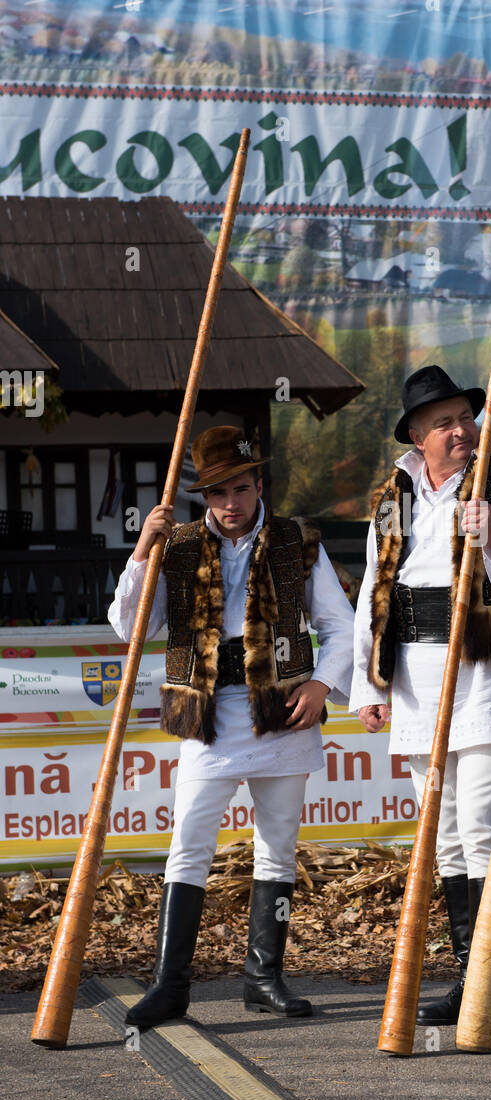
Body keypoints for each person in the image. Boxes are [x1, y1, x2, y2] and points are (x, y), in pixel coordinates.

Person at [108, 427, 355, 1028]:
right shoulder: (181, 545)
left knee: (277, 846)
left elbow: (343, 626)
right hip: (208, 714)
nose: (231, 503)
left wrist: (322, 685)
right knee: (189, 846)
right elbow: (126, 626)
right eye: (217, 493)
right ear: (202, 498)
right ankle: (171, 986)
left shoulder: (299, 542)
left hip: (284, 710)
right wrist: (144, 550)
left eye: (240, 489)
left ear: (259, 484)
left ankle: (263, 977)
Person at [350, 365, 491, 1038]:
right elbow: (373, 590)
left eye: (465, 417)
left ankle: (489, 995)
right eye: (442, 422)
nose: (459, 430)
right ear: (416, 434)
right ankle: (472, 979)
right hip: (415, 676)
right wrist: (367, 684)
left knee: (479, 831)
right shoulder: (395, 494)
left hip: (485, 676)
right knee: (441, 840)